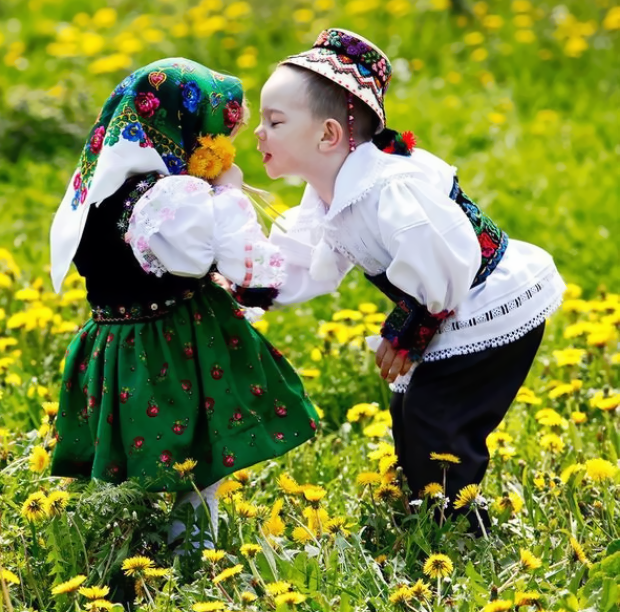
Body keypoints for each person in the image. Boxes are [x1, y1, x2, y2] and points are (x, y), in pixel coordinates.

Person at [254, 29, 564, 531]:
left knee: (435, 414)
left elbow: (446, 258)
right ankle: (421, 501)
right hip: (451, 305)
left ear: (328, 135)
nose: (258, 134)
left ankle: (455, 523)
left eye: (275, 121)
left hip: (490, 301)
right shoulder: (328, 194)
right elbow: (305, 260)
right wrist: (251, 286)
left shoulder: (388, 188)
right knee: (408, 405)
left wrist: (410, 325)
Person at [48, 58, 320, 550]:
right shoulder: (168, 199)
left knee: (133, 457)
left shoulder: (97, 191)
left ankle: (126, 547)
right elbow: (207, 259)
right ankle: (188, 556)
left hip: (116, 342)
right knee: (193, 456)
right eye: (206, 133)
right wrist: (227, 193)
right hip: (172, 341)